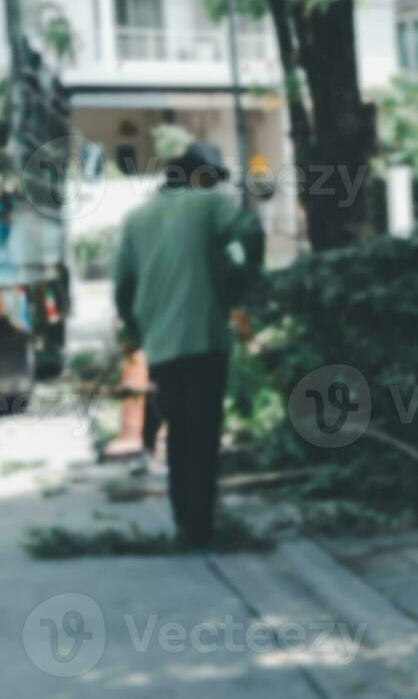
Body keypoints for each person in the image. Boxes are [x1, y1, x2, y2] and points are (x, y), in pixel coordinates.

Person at [113, 141, 263, 547]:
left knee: (179, 432)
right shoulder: (206, 204)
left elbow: (123, 286)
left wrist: (135, 330)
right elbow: (250, 229)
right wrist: (245, 282)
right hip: (205, 338)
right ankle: (203, 523)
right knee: (205, 433)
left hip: (161, 346)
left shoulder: (136, 218)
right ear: (199, 175)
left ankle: (186, 523)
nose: (214, 187)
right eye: (212, 179)